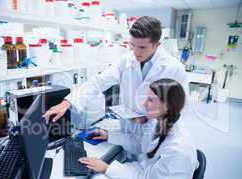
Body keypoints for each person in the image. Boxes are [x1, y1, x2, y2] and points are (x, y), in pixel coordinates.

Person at [43, 16, 188, 135]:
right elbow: (98, 82)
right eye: (133, 45)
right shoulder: (127, 60)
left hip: (156, 137)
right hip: (127, 132)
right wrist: (67, 103)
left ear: (157, 45)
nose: (136, 52)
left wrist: (151, 119)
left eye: (142, 47)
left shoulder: (174, 69)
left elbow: (181, 109)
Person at [78, 78, 198, 179]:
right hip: (144, 174)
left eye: (150, 100)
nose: (144, 104)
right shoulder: (158, 123)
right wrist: (109, 136)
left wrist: (106, 168)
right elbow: (139, 145)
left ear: (167, 106)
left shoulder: (179, 149)